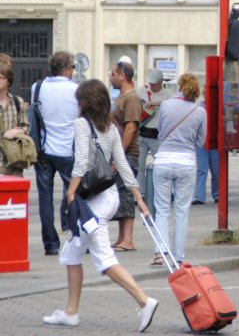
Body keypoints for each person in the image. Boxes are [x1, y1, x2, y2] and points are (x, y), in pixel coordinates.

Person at [40, 78, 158, 331]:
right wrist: (139, 198)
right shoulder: (111, 128)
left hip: (92, 202)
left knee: (104, 258)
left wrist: (70, 193)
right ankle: (71, 311)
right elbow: (124, 166)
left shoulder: (82, 125)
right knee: (72, 253)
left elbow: (82, 161)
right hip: (109, 196)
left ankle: (144, 300)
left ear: (84, 103)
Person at [151, 73, 207, 267]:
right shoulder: (200, 112)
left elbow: (159, 131)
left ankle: (161, 251)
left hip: (164, 161)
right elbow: (200, 141)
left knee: (162, 209)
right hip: (186, 163)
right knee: (181, 212)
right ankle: (179, 255)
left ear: (180, 86)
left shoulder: (166, 105)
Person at [35, 51, 80, 255]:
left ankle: (51, 244)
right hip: (67, 150)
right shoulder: (76, 90)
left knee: (45, 198)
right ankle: (75, 235)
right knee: (74, 194)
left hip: (43, 150)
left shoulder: (38, 87)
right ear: (67, 69)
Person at [110, 61, 143, 252]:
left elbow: (131, 127)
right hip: (122, 153)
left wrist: (119, 154)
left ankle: (128, 239)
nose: (111, 76)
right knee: (121, 194)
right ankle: (122, 238)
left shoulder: (131, 98)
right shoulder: (122, 97)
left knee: (126, 193)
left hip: (127, 154)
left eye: (113, 73)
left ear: (122, 75)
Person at [137, 68, 171, 204]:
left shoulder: (168, 94)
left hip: (158, 136)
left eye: (155, 83)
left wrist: (155, 104)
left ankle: (162, 193)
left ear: (161, 81)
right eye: (150, 83)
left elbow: (170, 106)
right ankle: (140, 194)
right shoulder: (141, 92)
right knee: (139, 165)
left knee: (162, 166)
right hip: (142, 133)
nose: (152, 86)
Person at [0, 60, 31, 176]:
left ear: (8, 81)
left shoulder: (17, 102)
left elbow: (26, 126)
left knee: (13, 194)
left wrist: (17, 130)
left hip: (14, 161)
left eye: (1, 77)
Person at [193, 136, 219, 205]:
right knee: (201, 171)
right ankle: (199, 197)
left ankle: (218, 195)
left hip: (215, 142)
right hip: (201, 143)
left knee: (216, 171)